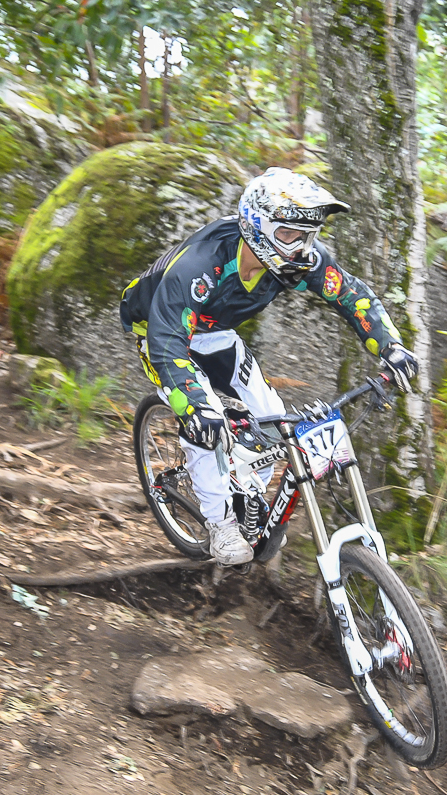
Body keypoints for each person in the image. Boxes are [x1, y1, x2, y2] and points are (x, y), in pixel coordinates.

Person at [119, 167, 418, 566]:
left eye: (308, 236)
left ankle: (248, 496)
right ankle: (220, 523)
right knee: (205, 422)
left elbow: (350, 294)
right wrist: (195, 408)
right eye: (290, 234)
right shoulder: (201, 265)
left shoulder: (296, 260)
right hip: (158, 329)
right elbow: (168, 342)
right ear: (257, 228)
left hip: (215, 331)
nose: (301, 248)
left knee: (272, 418)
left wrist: (391, 348)